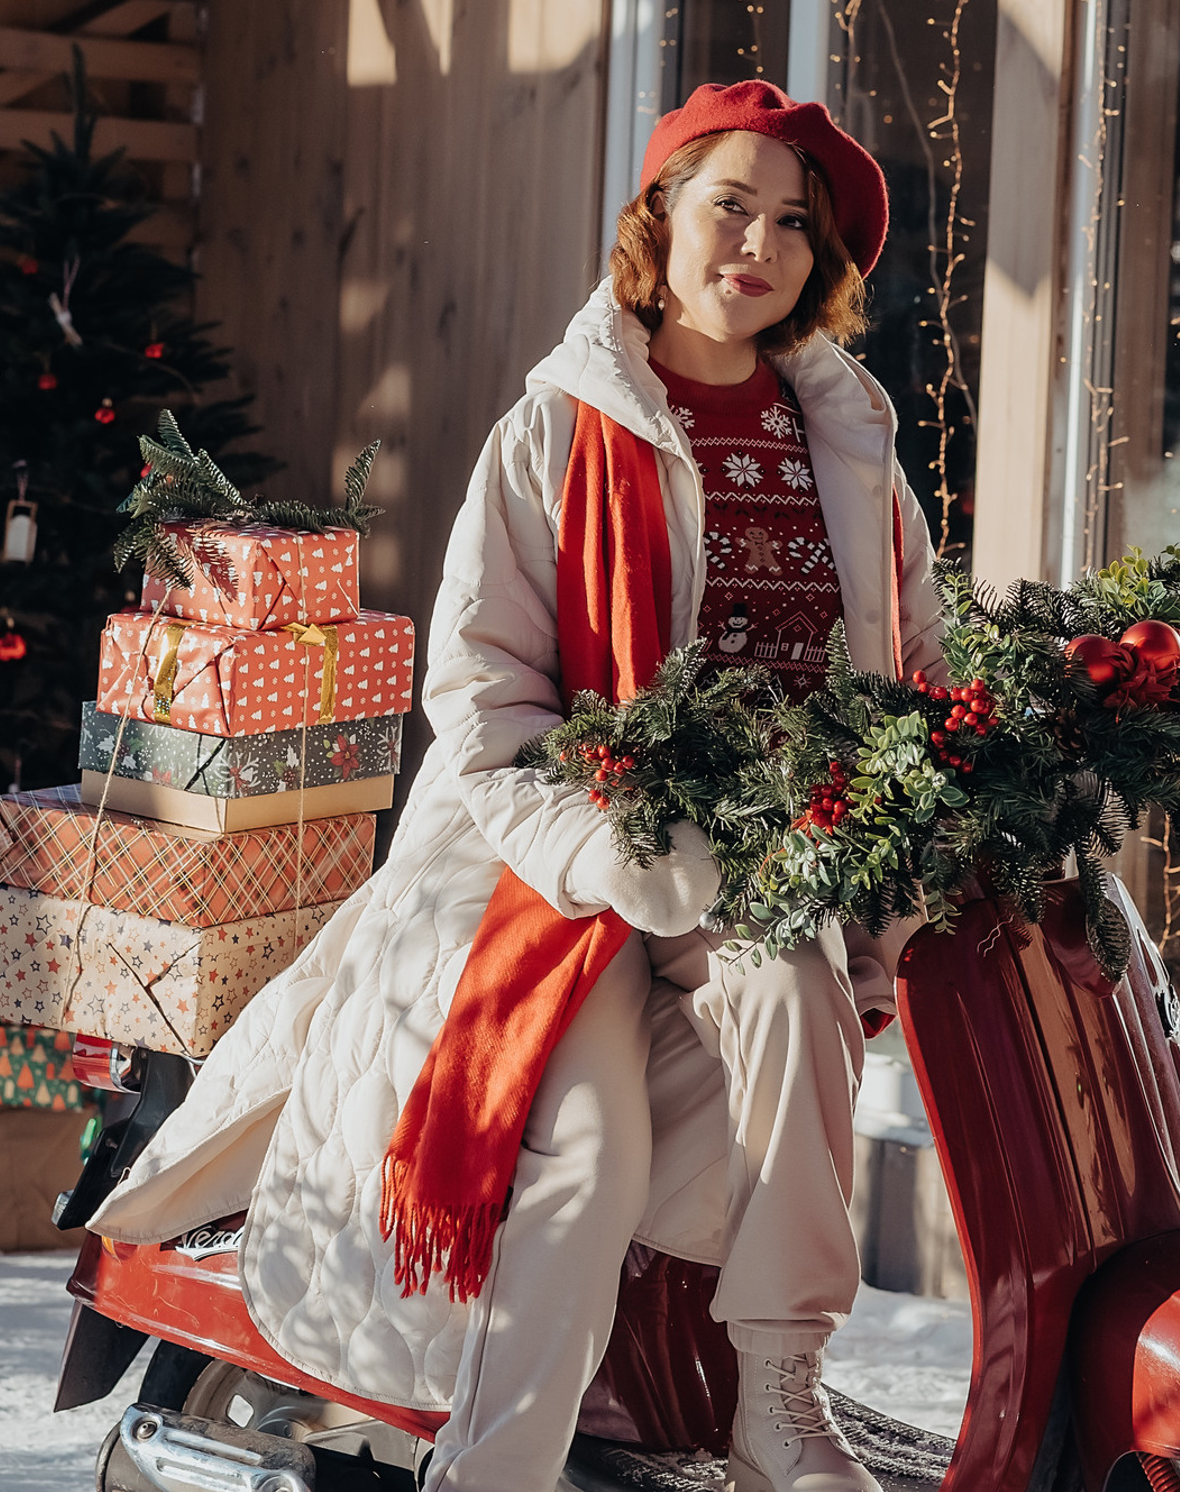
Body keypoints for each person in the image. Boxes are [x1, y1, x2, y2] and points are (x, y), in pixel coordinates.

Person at [89, 81, 944, 1492]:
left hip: (771, 871)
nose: (762, 244)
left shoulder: (852, 450)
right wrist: (625, 851)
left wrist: (950, 814)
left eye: (798, 224)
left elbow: (912, 671)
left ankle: (781, 1391)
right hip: (557, 871)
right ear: (657, 221)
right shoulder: (553, 436)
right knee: (584, 1159)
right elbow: (484, 707)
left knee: (793, 989)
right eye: (730, 204)